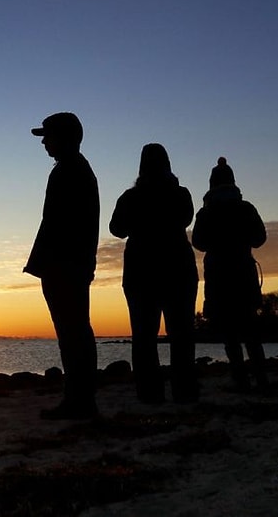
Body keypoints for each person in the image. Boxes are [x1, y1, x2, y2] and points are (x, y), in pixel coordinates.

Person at [23, 112, 100, 419]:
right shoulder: (73, 169)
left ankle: (80, 401)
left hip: (65, 265)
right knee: (73, 331)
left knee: (73, 331)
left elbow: (62, 224)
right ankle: (79, 399)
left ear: (65, 137)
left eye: (48, 135)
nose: (43, 142)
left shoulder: (72, 170)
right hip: (67, 264)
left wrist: (54, 261)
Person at [109, 143, 199, 404]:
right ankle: (185, 391)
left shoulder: (131, 197)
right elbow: (185, 218)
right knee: (181, 334)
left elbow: (116, 228)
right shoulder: (180, 194)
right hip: (178, 269)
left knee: (144, 336)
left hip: (141, 272)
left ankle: (149, 394)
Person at [191, 157, 268, 391]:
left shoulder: (206, 213)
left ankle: (240, 376)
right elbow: (260, 238)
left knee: (229, 331)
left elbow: (198, 242)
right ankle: (261, 377)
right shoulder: (246, 208)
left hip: (218, 274)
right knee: (250, 328)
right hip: (244, 272)